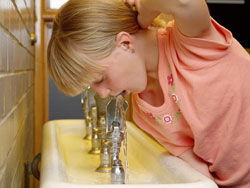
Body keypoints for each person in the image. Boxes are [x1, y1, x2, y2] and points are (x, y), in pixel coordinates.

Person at [47, 0, 250, 187]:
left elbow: (184, 1)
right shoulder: (144, 113)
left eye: (100, 78)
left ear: (125, 43)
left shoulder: (189, 43)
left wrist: (146, 9)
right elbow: (199, 175)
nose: (102, 94)